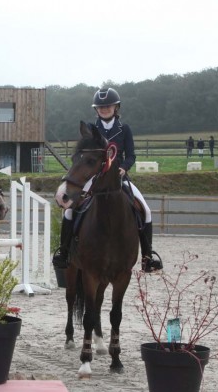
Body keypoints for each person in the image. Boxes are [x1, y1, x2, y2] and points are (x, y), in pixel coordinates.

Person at [51, 88, 163, 273]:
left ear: (115, 107)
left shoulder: (124, 129)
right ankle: (64, 253)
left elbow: (131, 155)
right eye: (100, 107)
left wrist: (123, 168)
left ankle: (147, 256)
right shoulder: (90, 129)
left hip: (118, 178)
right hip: (94, 178)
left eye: (107, 106)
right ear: (96, 110)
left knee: (146, 210)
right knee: (70, 211)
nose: (104, 109)